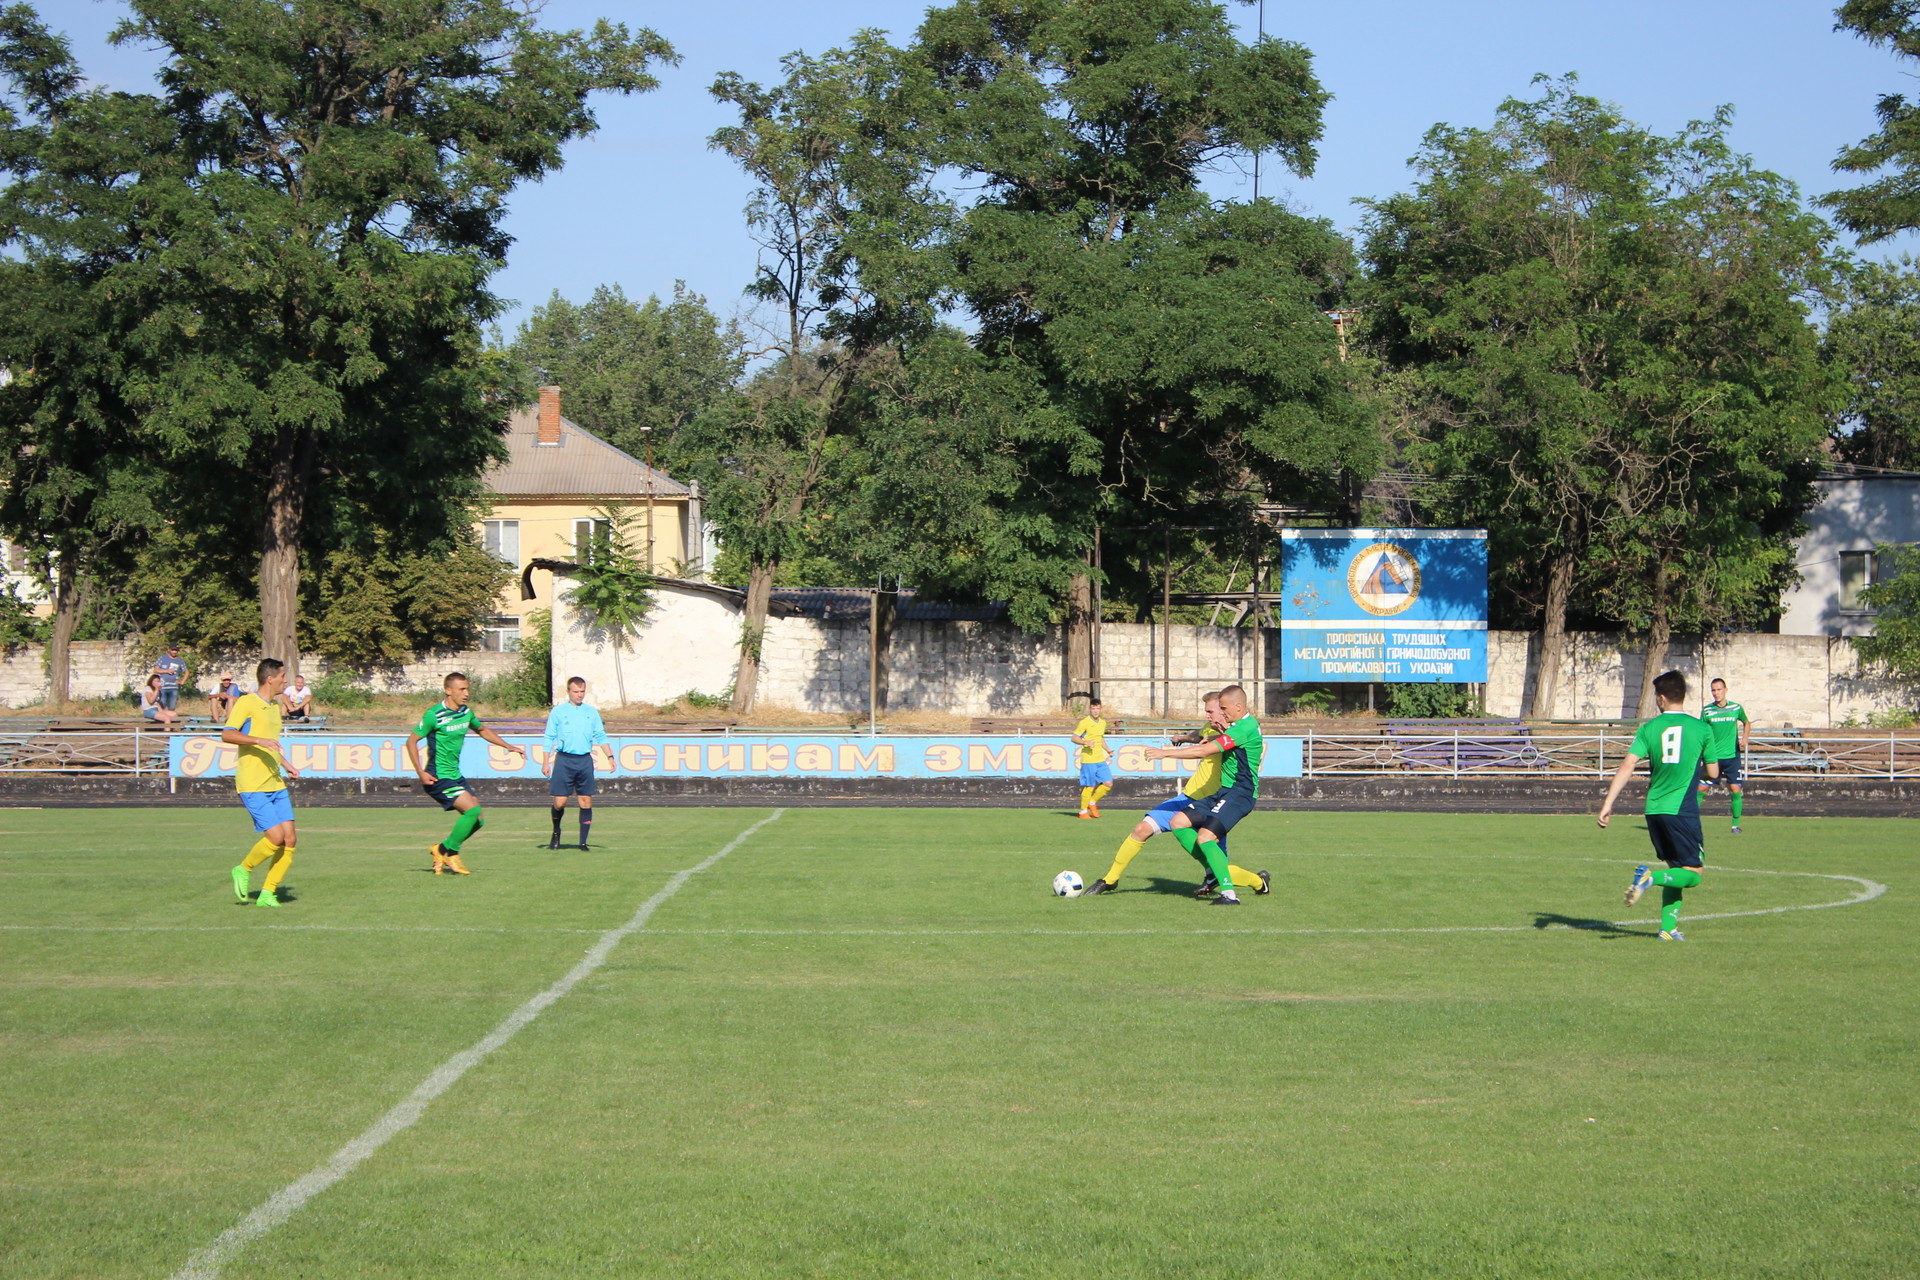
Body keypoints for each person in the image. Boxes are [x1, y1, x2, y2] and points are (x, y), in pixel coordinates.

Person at [1082, 690, 1269, 898]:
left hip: (1219, 801)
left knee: (1219, 867)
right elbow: (1200, 735)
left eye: (1213, 711)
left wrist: (1165, 753)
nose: (1209, 716)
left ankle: (1257, 881)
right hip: (1190, 798)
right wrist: (1183, 737)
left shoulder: (1236, 732)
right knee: (1142, 828)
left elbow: (1206, 748)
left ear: (1229, 709)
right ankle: (1110, 879)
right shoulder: (1214, 729)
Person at [1598, 669, 1719, 942]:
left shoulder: (1649, 729)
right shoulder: (1702, 728)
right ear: (1680, 696)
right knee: (1695, 874)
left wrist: (1608, 803)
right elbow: (1713, 772)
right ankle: (1650, 879)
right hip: (1682, 810)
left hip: (1653, 809)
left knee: (1676, 868)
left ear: (1662, 698)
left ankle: (1668, 929)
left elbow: (1628, 763)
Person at [1141, 684, 1265, 906]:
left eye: (1224, 708)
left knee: (1205, 837)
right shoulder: (1238, 725)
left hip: (1240, 793)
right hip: (1224, 791)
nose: (1222, 712)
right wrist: (1219, 733)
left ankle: (1229, 895)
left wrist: (1164, 753)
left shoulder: (1242, 728)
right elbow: (1214, 741)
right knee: (1177, 821)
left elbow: (1204, 751)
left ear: (1238, 706)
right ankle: (1222, 872)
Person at [406, 671, 525, 875]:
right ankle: (448, 852)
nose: (466, 693)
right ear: (448, 690)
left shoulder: (466, 712)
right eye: (462, 689)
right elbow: (411, 741)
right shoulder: (434, 715)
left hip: (455, 775)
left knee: (479, 820)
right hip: (438, 776)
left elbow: (482, 730)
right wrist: (420, 772)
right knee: (472, 812)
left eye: (467, 688)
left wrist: (508, 746)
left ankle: (442, 850)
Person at [222, 658, 303, 908]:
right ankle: (243, 869)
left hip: (275, 781)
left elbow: (271, 743)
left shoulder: (274, 707)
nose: (285, 681)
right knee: (275, 837)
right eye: (283, 676)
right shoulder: (247, 702)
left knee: (290, 839)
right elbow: (227, 734)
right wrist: (257, 740)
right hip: (252, 783)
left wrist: (286, 764)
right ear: (270, 679)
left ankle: (268, 893)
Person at [542, 676, 615, 850]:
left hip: (584, 760)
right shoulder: (558, 712)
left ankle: (582, 842)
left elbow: (601, 735)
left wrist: (610, 757)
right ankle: (556, 831)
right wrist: (545, 762)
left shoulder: (591, 712)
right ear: (568, 692)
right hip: (564, 760)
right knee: (560, 802)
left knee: (585, 800)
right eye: (576, 691)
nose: (579, 695)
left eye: (582, 691)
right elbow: (549, 737)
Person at [1696, 676, 1750, 833]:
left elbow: (1746, 722)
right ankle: (1690, 820)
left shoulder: (1736, 708)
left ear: (1725, 690)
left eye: (1719, 689)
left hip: (1732, 756)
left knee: (1735, 789)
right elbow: (1702, 731)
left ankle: (1735, 825)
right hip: (1713, 757)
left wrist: (1744, 738)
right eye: (1713, 690)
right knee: (1701, 789)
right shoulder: (1707, 711)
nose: (1716, 693)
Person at [1072, 698, 1114, 819]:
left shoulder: (1102, 722)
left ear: (1100, 709)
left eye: (1097, 708)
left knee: (1108, 783)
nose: (1095, 711)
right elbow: (1074, 738)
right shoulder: (1084, 722)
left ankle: (1092, 802)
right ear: (1090, 709)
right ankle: (1083, 811)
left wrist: (1108, 750)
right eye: (1093, 708)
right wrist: (1085, 742)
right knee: (1089, 786)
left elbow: (1100, 739)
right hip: (1088, 759)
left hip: (1100, 759)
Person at [150, 645, 189, 714]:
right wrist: (167, 671)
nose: (174, 652)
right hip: (163, 686)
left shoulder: (179, 660)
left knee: (172, 706)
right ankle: (162, 719)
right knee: (162, 704)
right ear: (169, 650)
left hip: (174, 686)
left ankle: (171, 719)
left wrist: (182, 681)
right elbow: (156, 670)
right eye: (173, 650)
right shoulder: (162, 658)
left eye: (176, 650)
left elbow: (186, 671)